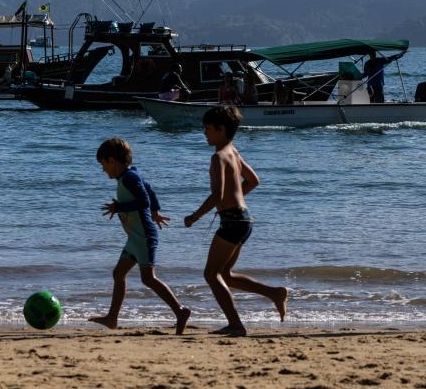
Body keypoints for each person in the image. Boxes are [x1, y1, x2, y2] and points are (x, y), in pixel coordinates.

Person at [184, 105, 288, 337]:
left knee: (211, 274)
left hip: (232, 221)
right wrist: (235, 198)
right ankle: (274, 293)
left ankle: (236, 325)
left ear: (221, 130)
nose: (205, 133)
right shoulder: (233, 152)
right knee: (226, 275)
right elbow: (253, 181)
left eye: (208, 128)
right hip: (243, 219)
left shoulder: (218, 157)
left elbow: (217, 195)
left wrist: (195, 216)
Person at [90, 137, 192, 335]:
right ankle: (112, 318)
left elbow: (143, 200)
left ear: (112, 161)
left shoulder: (129, 177)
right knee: (118, 273)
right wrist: (156, 211)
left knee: (148, 278)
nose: (103, 169)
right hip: (135, 238)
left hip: (144, 236)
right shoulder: (129, 175)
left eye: (103, 164)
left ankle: (180, 311)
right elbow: (150, 190)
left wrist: (120, 207)